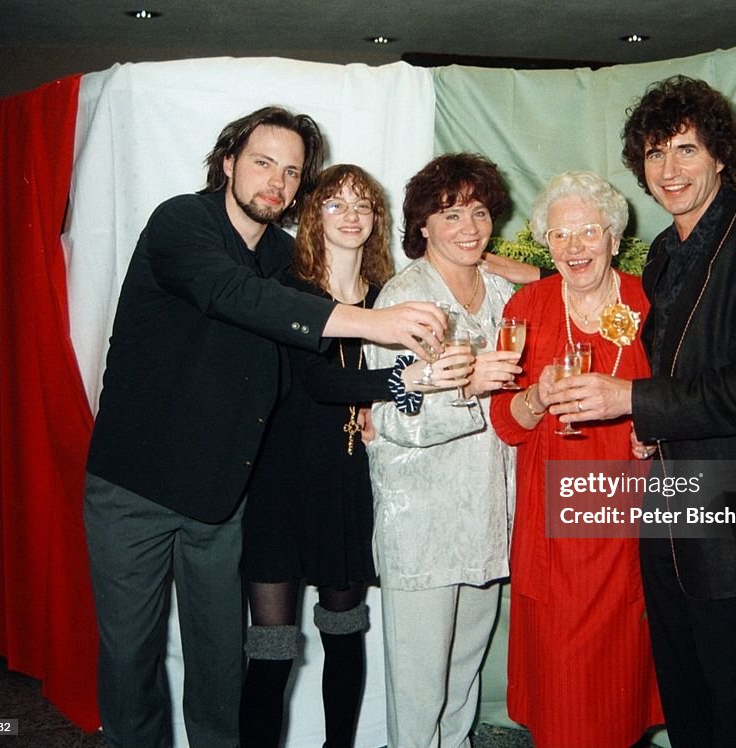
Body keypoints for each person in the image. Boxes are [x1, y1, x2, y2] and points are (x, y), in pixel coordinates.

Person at [83, 106, 446, 748]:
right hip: (136, 487)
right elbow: (238, 297)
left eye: (291, 171)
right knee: (132, 658)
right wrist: (374, 326)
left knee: (221, 662)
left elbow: (330, 304)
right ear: (228, 163)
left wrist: (492, 266)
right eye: (262, 163)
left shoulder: (281, 255)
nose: (276, 182)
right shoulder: (182, 222)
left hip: (223, 494)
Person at [548, 76, 736, 746]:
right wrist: (649, 426)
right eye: (656, 153)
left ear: (721, 155)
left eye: (687, 149)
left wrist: (632, 400)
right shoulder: (664, 253)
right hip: (670, 522)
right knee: (688, 708)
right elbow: (676, 375)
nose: (670, 169)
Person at [238, 164, 469, 747]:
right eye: (335, 204)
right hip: (281, 485)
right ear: (313, 216)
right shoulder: (288, 286)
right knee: (271, 650)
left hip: (349, 481)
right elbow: (318, 380)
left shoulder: (387, 294)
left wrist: (401, 394)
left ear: (377, 220)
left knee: (343, 637)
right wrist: (400, 381)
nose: (351, 215)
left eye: (363, 205)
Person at [488, 171, 663, 747]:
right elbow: (504, 422)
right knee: (562, 690)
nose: (575, 247)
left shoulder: (648, 303)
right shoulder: (528, 306)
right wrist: (535, 398)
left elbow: (679, 398)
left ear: (614, 237)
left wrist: (653, 433)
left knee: (620, 679)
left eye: (589, 231)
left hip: (627, 519)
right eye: (560, 235)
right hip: (552, 528)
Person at [364, 153, 522, 748]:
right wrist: (468, 391)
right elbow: (390, 417)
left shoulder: (503, 293)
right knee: (420, 688)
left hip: (488, 516)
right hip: (423, 523)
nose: (469, 227)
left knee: (462, 681)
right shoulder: (403, 299)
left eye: (478, 212)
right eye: (451, 214)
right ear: (423, 225)